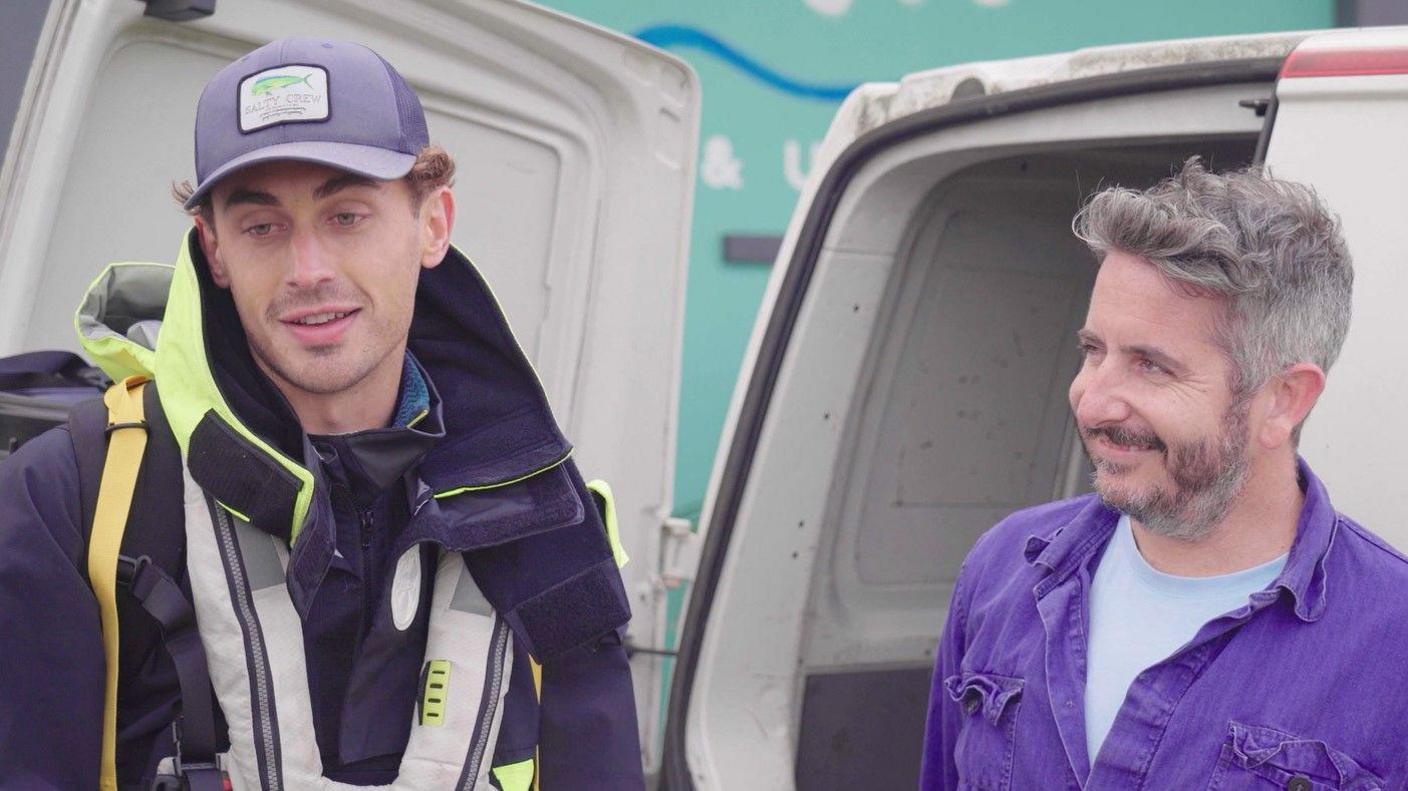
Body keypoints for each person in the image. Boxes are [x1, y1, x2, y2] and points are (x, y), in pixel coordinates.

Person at [0, 38, 643, 790]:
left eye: (347, 215)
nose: (309, 271)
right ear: (213, 250)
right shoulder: (71, 498)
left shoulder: (547, 511)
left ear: (433, 224)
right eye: (262, 227)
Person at [920, 159, 1408, 789]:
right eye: (1093, 351)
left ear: (1284, 399)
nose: (1092, 401)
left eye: (1151, 366)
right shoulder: (1006, 568)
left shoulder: (1392, 642)